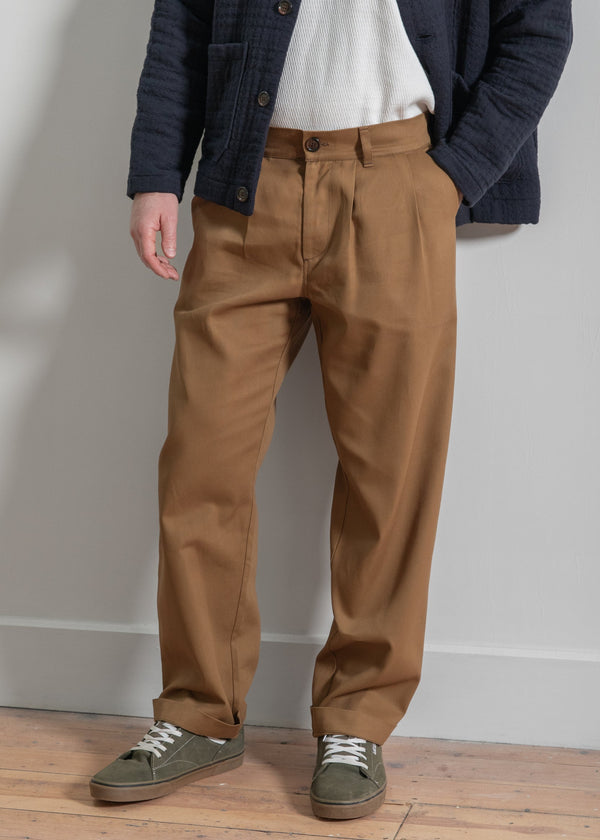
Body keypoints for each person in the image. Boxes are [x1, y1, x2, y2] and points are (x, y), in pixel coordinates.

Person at [89, 0, 573, 821]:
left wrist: (452, 174)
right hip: (245, 186)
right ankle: (199, 714)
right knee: (202, 464)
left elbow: (540, 30)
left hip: (399, 182)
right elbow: (181, 25)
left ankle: (357, 723)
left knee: (392, 471)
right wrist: (153, 174)